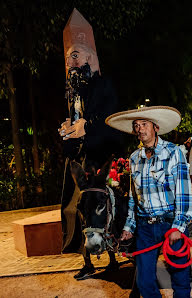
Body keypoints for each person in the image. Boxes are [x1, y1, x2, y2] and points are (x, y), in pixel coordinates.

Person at [58, 9, 123, 280]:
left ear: (89, 57)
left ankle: (112, 255)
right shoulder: (73, 94)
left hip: (102, 155)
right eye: (67, 57)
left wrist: (89, 125)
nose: (71, 62)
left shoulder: (104, 84)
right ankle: (86, 260)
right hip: (80, 158)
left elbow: (110, 117)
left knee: (103, 204)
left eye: (75, 55)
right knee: (76, 209)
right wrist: (65, 131)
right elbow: (74, 124)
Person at [106, 106, 192, 297]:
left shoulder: (173, 152)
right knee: (144, 281)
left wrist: (178, 227)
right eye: (136, 125)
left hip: (170, 223)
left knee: (180, 276)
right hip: (145, 227)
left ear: (155, 127)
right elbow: (133, 196)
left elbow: (183, 193)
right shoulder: (134, 157)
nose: (139, 129)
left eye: (144, 124)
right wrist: (129, 227)